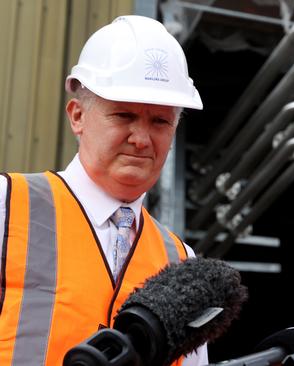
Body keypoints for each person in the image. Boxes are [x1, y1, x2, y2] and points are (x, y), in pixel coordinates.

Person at [0, 16, 207, 365]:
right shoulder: (7, 208)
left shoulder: (181, 260)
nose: (141, 139)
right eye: (124, 115)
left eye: (160, 121)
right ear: (77, 115)